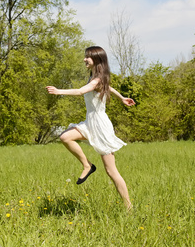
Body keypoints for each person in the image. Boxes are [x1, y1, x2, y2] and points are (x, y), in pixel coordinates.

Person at [46, 46, 135, 210]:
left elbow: (80, 92)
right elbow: (109, 88)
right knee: (65, 137)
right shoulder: (95, 77)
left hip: (100, 126)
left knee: (111, 171)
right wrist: (121, 97)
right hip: (90, 122)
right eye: (85, 56)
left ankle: (128, 206)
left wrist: (58, 91)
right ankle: (88, 165)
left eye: (88, 57)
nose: (84, 59)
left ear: (97, 60)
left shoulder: (97, 79)